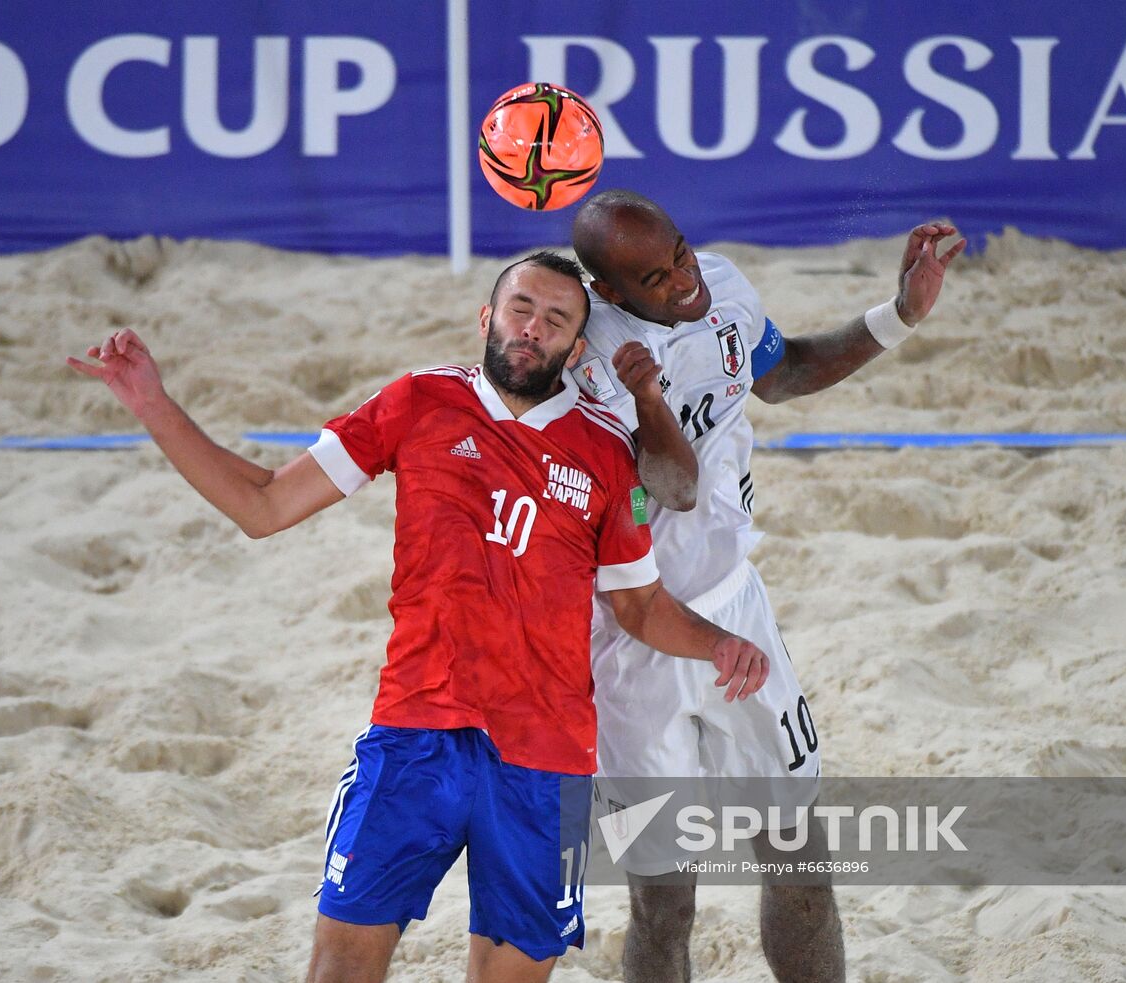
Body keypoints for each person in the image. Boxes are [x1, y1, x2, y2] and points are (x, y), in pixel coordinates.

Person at [66, 250, 776, 983]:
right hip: (415, 736)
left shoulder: (603, 451)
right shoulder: (418, 401)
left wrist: (721, 642)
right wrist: (151, 402)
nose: (533, 327)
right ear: (487, 318)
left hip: (545, 762)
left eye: (556, 319)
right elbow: (265, 503)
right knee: (338, 970)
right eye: (521, 309)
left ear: (574, 346)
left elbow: (638, 604)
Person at [570, 191, 965, 983]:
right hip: (632, 642)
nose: (684, 278)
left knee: (802, 865)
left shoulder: (722, 284)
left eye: (680, 251)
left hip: (735, 607)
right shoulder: (591, 361)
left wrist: (898, 314)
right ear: (610, 294)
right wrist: (648, 398)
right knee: (664, 902)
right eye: (657, 276)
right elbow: (672, 488)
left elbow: (784, 376)